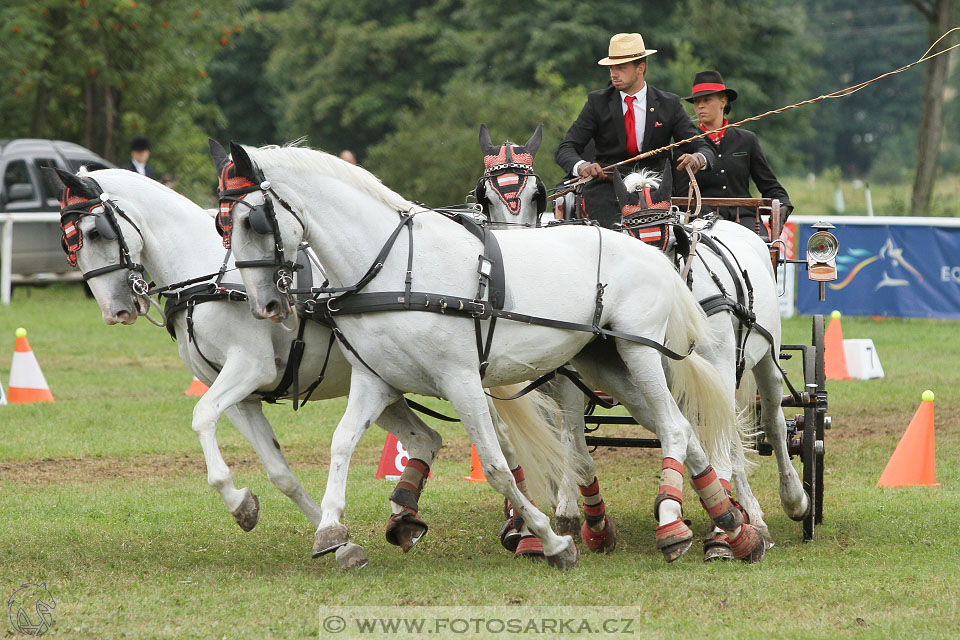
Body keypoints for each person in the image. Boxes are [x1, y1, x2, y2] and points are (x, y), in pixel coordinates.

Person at [555, 32, 714, 228]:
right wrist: (581, 166)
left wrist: (698, 158)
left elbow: (703, 147)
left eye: (621, 67)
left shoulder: (669, 104)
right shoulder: (597, 103)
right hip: (606, 192)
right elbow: (566, 148)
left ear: (641, 68)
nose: (614, 73)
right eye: (611, 67)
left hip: (654, 193)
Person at [675, 70, 792, 238]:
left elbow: (769, 184)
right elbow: (680, 193)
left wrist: (783, 205)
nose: (700, 105)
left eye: (707, 100)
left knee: (764, 245)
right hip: (703, 221)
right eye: (696, 101)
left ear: (723, 101)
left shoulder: (747, 140)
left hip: (746, 219)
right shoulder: (685, 143)